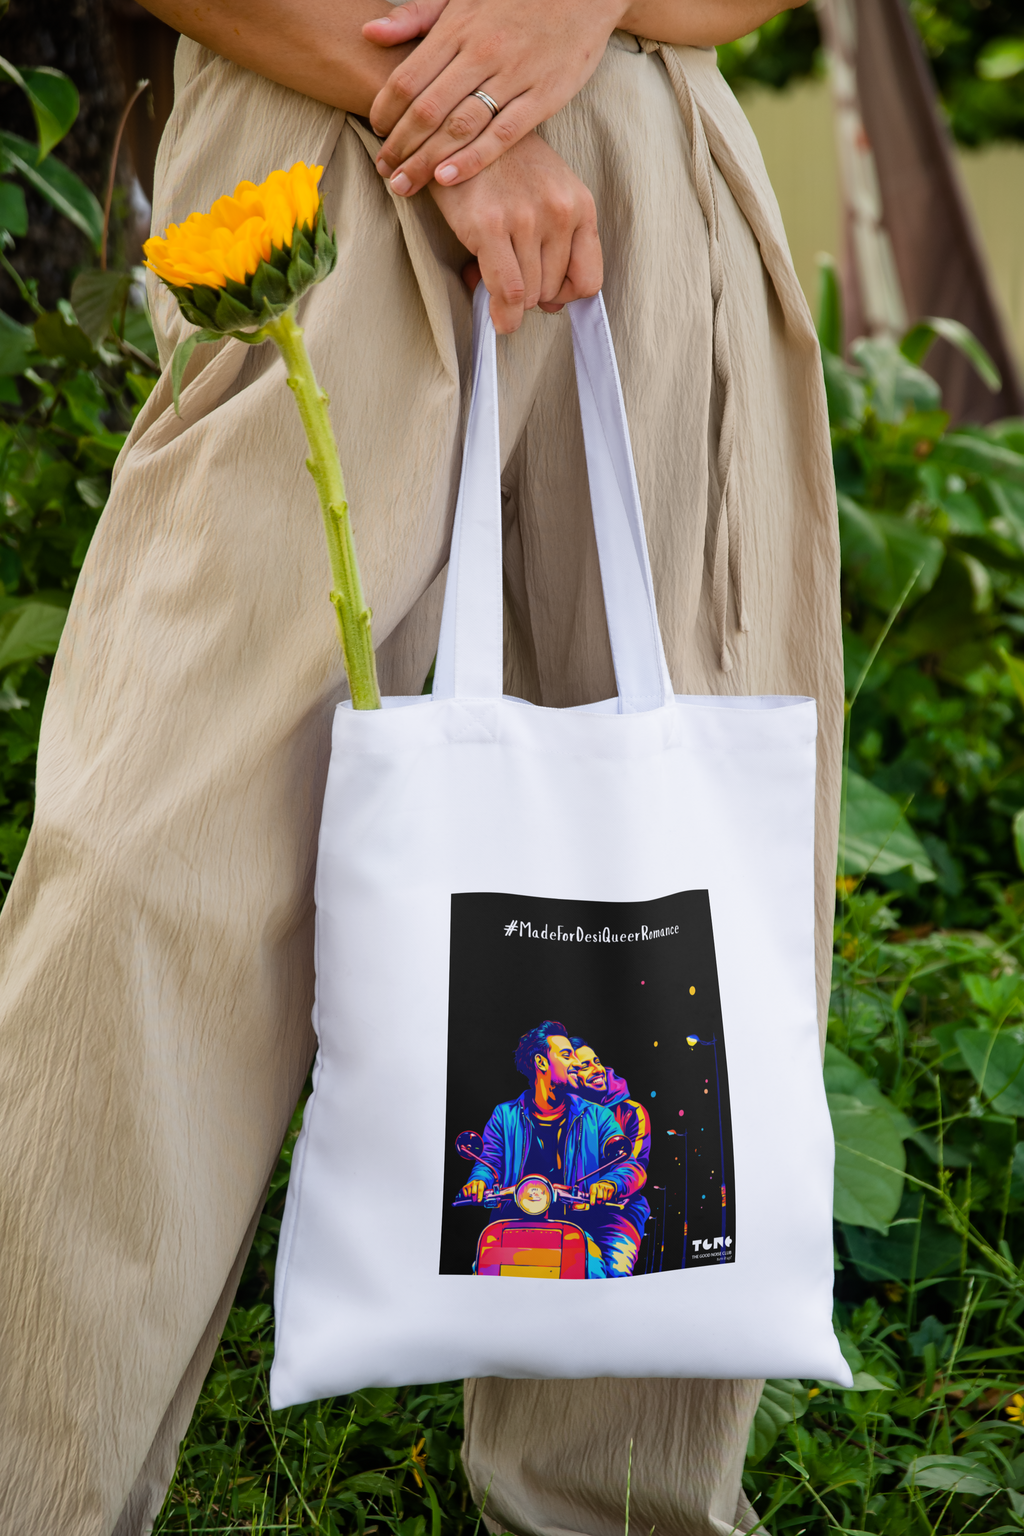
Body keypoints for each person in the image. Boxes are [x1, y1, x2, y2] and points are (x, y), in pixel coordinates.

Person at [0, 0, 844, 1526]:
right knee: (140, 877)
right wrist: (466, 123)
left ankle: (617, 1504)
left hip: (657, 190)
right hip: (311, 163)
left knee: (652, 910)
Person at [461, 1024, 644, 1277]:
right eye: (567, 1056)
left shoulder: (598, 1116)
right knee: (484, 1270)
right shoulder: (504, 1115)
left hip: (585, 1222)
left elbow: (629, 1166)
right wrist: (479, 1181)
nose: (576, 1064)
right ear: (541, 1062)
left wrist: (609, 1185)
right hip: (517, 1220)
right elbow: (489, 1160)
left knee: (610, 1275)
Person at [569, 1037, 652, 1275]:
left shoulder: (631, 1112)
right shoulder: (564, 1112)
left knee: (615, 1271)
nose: (597, 1069)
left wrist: (609, 1185)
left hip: (618, 1212)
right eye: (585, 1066)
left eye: (596, 1061)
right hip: (566, 1208)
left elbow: (633, 1166)